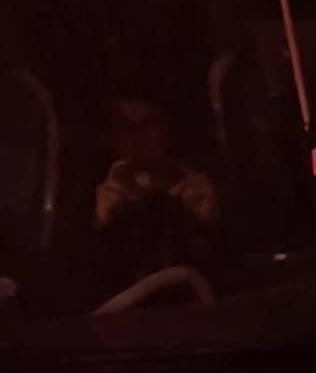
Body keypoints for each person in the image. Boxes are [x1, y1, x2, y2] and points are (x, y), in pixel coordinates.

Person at [89, 95, 220, 301]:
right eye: (124, 125)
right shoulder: (84, 198)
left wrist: (210, 221)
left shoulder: (198, 186)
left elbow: (230, 278)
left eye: (149, 123)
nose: (137, 136)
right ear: (109, 134)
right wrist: (99, 225)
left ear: (169, 131)